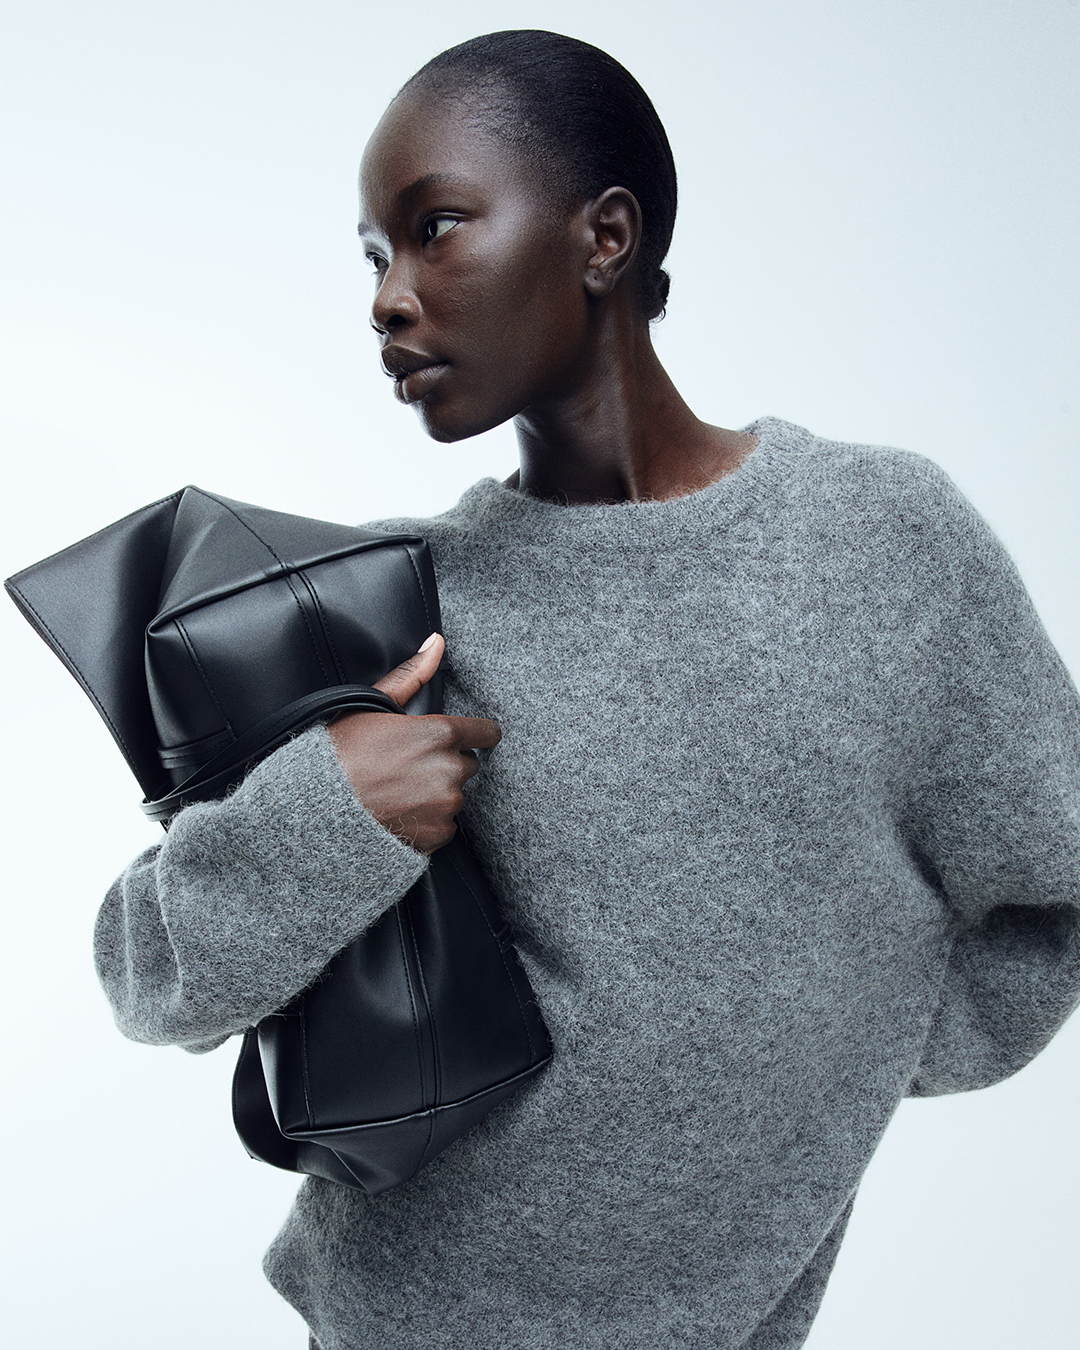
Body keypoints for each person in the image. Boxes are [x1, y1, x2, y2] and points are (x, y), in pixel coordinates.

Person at [93, 29, 1080, 1350]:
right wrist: (332, 810)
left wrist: (820, 1077)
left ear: (603, 236)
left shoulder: (884, 541)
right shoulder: (400, 604)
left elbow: (1051, 887)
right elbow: (143, 971)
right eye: (376, 255)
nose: (389, 295)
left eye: (434, 228)